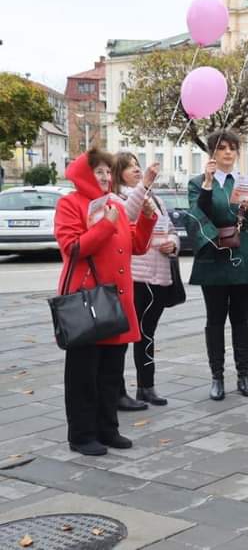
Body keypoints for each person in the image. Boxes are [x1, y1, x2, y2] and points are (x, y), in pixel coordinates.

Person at [53, 149, 157, 455]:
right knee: (83, 375)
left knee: (111, 373)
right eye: (99, 171)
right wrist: (106, 224)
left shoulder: (115, 204)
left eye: (108, 172)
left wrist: (148, 220)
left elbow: (135, 245)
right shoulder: (69, 204)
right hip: (87, 302)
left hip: (116, 300)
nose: (106, 177)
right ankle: (82, 435)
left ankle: (107, 429)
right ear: (84, 174)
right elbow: (72, 248)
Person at [188, 130, 248, 401]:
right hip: (214, 255)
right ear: (212, 154)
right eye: (222, 149)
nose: (228, 153)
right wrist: (208, 184)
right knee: (215, 319)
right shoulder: (198, 183)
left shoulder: (247, 182)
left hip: (242, 256)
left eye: (233, 148)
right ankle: (217, 376)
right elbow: (197, 215)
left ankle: (244, 374)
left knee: (241, 319)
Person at [112, 153, 175, 409]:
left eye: (137, 165)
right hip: (136, 276)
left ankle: (146, 386)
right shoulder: (120, 198)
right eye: (129, 167)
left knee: (147, 334)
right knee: (126, 336)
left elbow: (169, 228)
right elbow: (126, 217)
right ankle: (117, 389)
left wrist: (173, 244)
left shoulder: (155, 199)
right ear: (118, 173)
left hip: (158, 275)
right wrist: (144, 185)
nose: (136, 170)